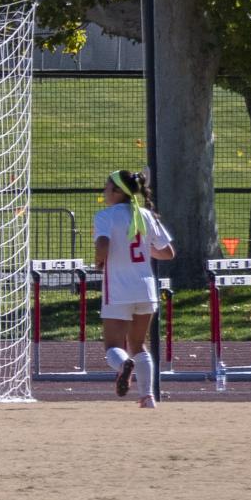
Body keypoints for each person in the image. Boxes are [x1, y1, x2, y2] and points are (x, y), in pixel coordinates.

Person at [95, 168, 176, 409]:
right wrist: (141, 250)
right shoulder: (146, 215)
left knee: (113, 347)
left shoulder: (105, 216)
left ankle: (123, 366)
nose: (105, 191)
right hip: (146, 288)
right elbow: (168, 252)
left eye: (107, 187)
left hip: (119, 288)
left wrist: (99, 260)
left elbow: (102, 243)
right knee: (139, 344)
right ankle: (147, 397)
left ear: (118, 191)